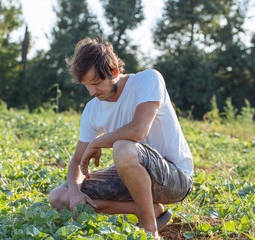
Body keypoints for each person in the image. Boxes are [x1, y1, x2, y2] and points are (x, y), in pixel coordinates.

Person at [48, 37, 193, 237]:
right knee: (59, 196)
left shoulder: (148, 79)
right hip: (133, 178)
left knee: (123, 147)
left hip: (174, 178)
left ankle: (149, 229)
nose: (92, 92)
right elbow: (75, 161)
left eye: (96, 83)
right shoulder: (92, 109)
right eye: (86, 85)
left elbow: (138, 131)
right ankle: (142, 209)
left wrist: (98, 142)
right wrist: (75, 193)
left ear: (114, 72)